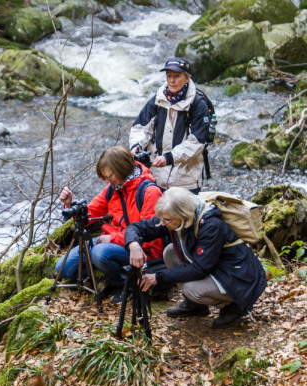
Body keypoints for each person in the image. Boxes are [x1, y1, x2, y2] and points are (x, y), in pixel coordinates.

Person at [124, 187, 266, 328]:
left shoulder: (211, 225)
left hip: (238, 276)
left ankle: (234, 306)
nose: (162, 224)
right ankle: (196, 307)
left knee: (191, 289)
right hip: (215, 266)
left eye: (166, 220)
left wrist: (157, 277)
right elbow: (137, 227)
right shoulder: (172, 217)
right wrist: (133, 244)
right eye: (162, 219)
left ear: (183, 215)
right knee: (170, 252)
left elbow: (199, 269)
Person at [55, 146, 163, 304]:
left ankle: (126, 285)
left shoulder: (150, 192)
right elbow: (89, 216)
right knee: (63, 268)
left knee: (100, 253)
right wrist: (70, 205)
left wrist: (111, 239)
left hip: (142, 251)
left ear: (123, 169)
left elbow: (147, 238)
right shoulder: (113, 188)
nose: (106, 180)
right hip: (113, 242)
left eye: (109, 176)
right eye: (104, 177)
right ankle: (110, 272)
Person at [129, 57, 211, 194]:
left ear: (187, 78)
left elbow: (196, 143)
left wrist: (169, 158)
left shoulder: (198, 105)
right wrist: (136, 146)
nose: (172, 80)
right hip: (156, 175)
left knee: (183, 215)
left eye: (177, 76)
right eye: (169, 76)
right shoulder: (158, 100)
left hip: (186, 180)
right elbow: (141, 127)